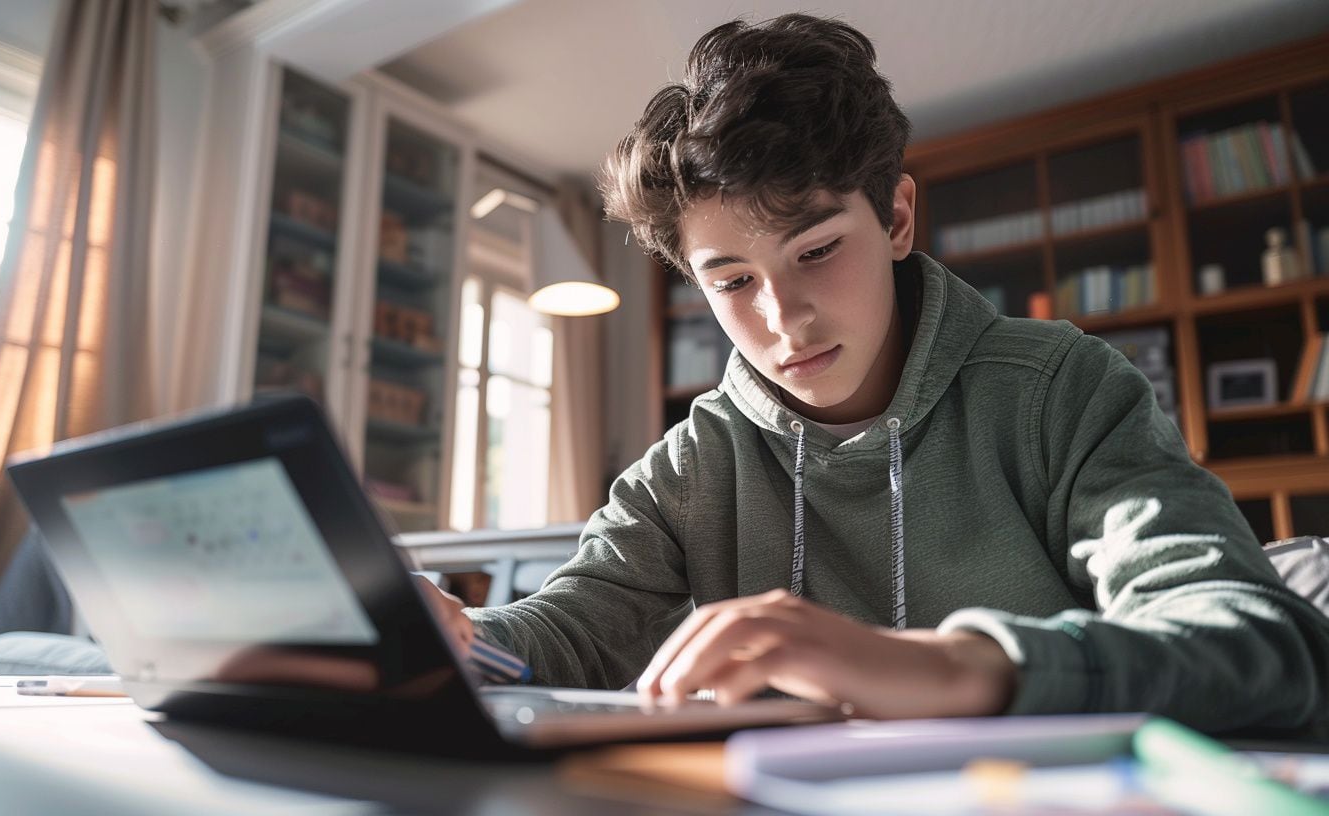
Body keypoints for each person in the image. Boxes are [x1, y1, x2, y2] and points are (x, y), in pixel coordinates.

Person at [420, 13, 1329, 732]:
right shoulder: (693, 465)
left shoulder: (1062, 391)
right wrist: (464, 641)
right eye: (732, 282)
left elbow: (1261, 645)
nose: (783, 319)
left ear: (896, 218)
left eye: (816, 251)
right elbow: (571, 630)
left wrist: (949, 665)